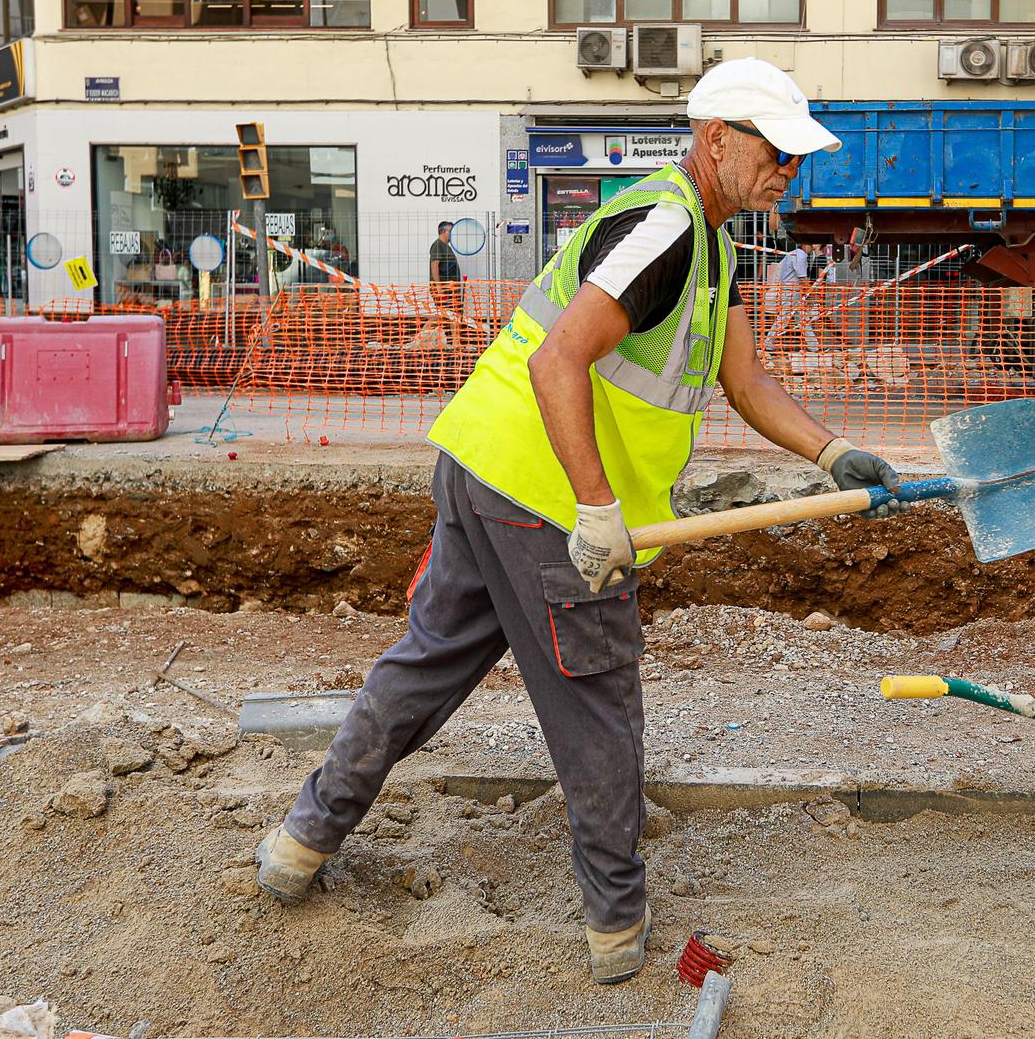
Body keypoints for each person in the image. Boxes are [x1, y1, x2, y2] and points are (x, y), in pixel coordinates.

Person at [255, 58, 903, 984]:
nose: (789, 169)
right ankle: (616, 925)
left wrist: (832, 453)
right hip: (549, 499)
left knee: (428, 660)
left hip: (484, 463)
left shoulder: (712, 240)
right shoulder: (667, 226)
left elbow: (745, 379)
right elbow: (560, 359)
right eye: (776, 149)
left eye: (797, 155)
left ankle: (301, 841)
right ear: (715, 138)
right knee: (597, 703)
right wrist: (598, 508)